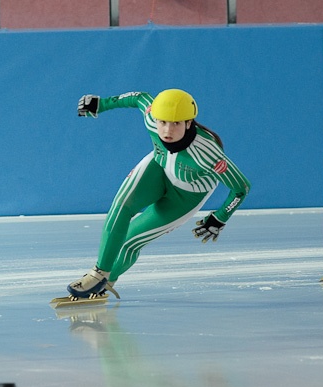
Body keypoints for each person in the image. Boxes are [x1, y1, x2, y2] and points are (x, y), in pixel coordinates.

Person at [67, 89, 251, 298]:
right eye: (162, 122)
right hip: (159, 169)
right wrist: (102, 104)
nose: (167, 130)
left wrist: (220, 217)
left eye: (176, 123)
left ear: (189, 123)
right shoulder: (151, 116)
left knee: (130, 241)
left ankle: (107, 281)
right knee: (120, 208)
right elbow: (138, 97)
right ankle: (98, 273)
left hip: (185, 196)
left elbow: (241, 188)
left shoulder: (208, 153)